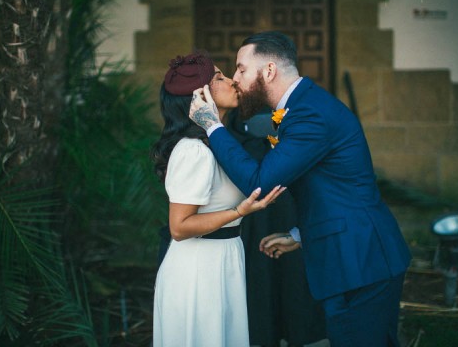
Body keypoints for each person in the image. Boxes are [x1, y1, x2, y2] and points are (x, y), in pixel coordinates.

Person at [189, 31, 412, 347]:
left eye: (240, 68)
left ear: (268, 71)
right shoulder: (302, 106)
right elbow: (332, 186)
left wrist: (212, 125)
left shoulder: (309, 113)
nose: (236, 78)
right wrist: (300, 234)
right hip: (352, 255)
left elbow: (259, 184)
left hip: (360, 261)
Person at [150, 52, 285, 347]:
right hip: (197, 272)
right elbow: (179, 227)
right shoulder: (193, 151)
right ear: (200, 95)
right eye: (219, 77)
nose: (232, 81)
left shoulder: (217, 144)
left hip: (224, 259)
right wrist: (240, 210)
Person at [226, 108, 327, 347]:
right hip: (254, 216)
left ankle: (296, 333)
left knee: (294, 277)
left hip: (290, 207)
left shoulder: (293, 112)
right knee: (260, 275)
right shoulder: (232, 124)